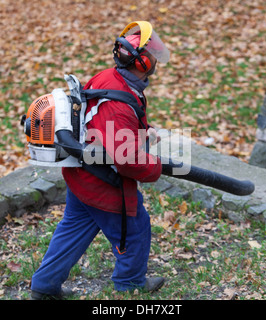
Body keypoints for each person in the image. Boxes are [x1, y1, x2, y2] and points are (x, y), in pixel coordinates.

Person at [30, 21, 170, 300]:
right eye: (151, 51)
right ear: (140, 61)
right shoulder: (119, 105)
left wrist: (144, 130)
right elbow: (127, 160)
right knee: (135, 228)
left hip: (82, 175)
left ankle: (44, 286)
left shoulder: (110, 79)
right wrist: (155, 167)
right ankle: (130, 283)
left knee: (74, 226)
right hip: (103, 182)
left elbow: (107, 122)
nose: (156, 56)